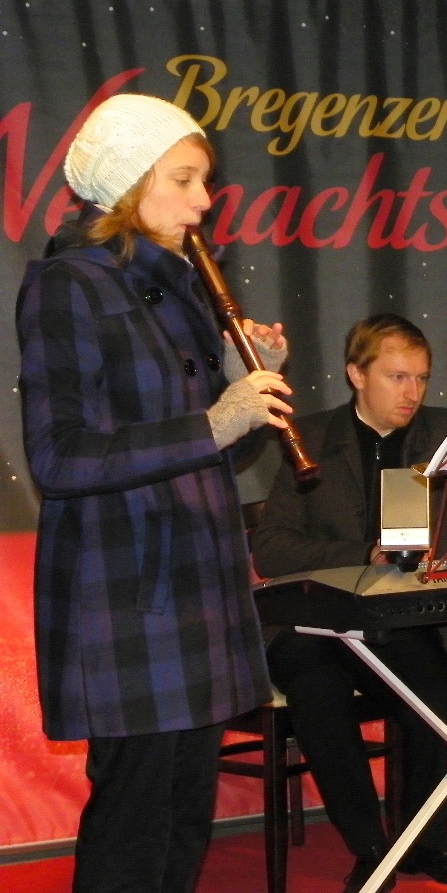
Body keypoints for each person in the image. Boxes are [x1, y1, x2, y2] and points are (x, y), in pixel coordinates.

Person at [16, 93, 294, 892]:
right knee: (135, 824)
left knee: (184, 820)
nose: (204, 200)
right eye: (184, 179)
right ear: (127, 182)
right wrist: (215, 421)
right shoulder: (68, 284)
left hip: (198, 587)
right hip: (129, 594)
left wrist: (241, 396)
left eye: (204, 180)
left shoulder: (181, 286)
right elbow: (60, 457)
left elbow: (208, 453)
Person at [253, 313, 447, 892]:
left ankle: (423, 844)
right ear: (357, 374)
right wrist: (363, 553)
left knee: (439, 696)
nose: (413, 393)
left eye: (421, 378)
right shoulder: (307, 436)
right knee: (319, 691)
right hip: (313, 623)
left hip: (397, 620)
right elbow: (271, 549)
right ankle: (370, 847)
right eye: (397, 377)